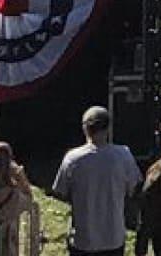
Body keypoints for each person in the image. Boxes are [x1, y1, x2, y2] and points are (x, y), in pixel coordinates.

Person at [50, 107, 135, 256]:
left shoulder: (72, 158)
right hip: (113, 238)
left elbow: (60, 191)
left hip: (83, 239)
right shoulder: (124, 156)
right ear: (108, 128)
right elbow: (134, 188)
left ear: (85, 129)